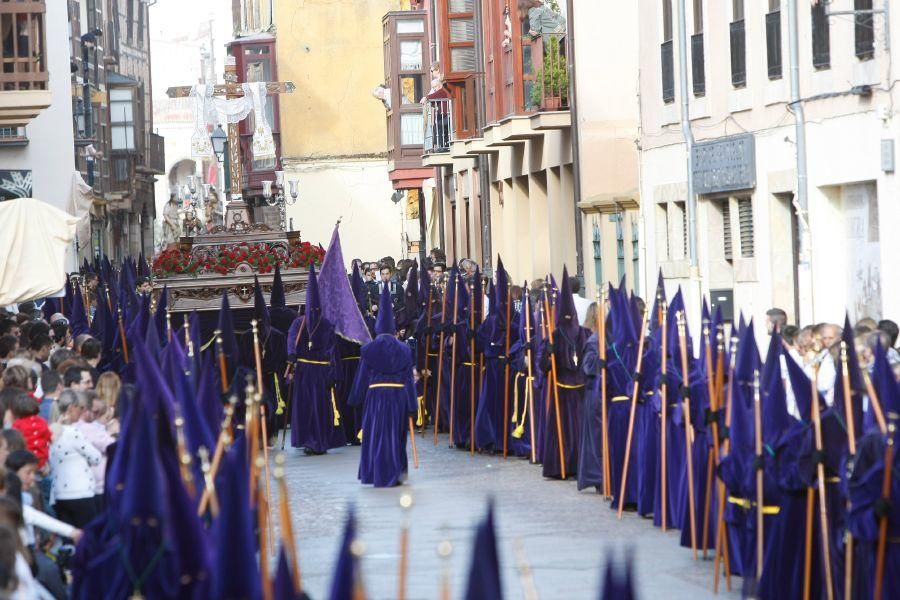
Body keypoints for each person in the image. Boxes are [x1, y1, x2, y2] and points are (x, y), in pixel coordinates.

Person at [349, 285, 417, 487]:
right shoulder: (404, 349)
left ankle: (376, 472)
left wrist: (355, 399)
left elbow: (362, 377)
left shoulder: (369, 349)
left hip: (376, 396)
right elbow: (408, 379)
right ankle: (395, 472)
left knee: (376, 434)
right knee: (395, 435)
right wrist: (412, 406)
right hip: (398, 397)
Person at [286, 265, 345, 455]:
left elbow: (292, 343)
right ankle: (315, 440)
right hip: (315, 371)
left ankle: (313, 441)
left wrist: (293, 356)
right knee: (315, 406)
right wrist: (333, 374)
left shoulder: (306, 323)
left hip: (309, 371)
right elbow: (332, 351)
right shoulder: (317, 323)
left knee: (312, 406)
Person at [48, 390, 101, 528]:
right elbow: (96, 457)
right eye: (81, 408)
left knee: (69, 541)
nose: (83, 411)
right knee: (88, 538)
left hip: (59, 494)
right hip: (80, 493)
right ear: (72, 408)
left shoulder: (51, 431)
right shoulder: (73, 432)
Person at [72, 391, 114, 507]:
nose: (96, 416)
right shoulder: (89, 429)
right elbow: (113, 447)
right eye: (95, 412)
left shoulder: (70, 425)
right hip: (98, 487)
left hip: (79, 486)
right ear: (85, 410)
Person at [10, 395, 50, 470]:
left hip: (26, 461)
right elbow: (49, 436)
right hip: (43, 459)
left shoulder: (17, 424)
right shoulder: (42, 421)